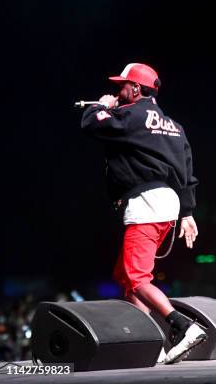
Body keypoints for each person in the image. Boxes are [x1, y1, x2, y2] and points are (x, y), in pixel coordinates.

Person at [81, 63, 206, 364]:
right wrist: (188, 213)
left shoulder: (132, 115)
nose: (117, 90)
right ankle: (150, 344)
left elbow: (92, 125)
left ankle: (183, 326)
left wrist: (102, 105)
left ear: (136, 89)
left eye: (122, 85)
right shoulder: (175, 126)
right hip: (169, 203)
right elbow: (188, 174)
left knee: (136, 278)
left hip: (146, 202)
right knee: (126, 274)